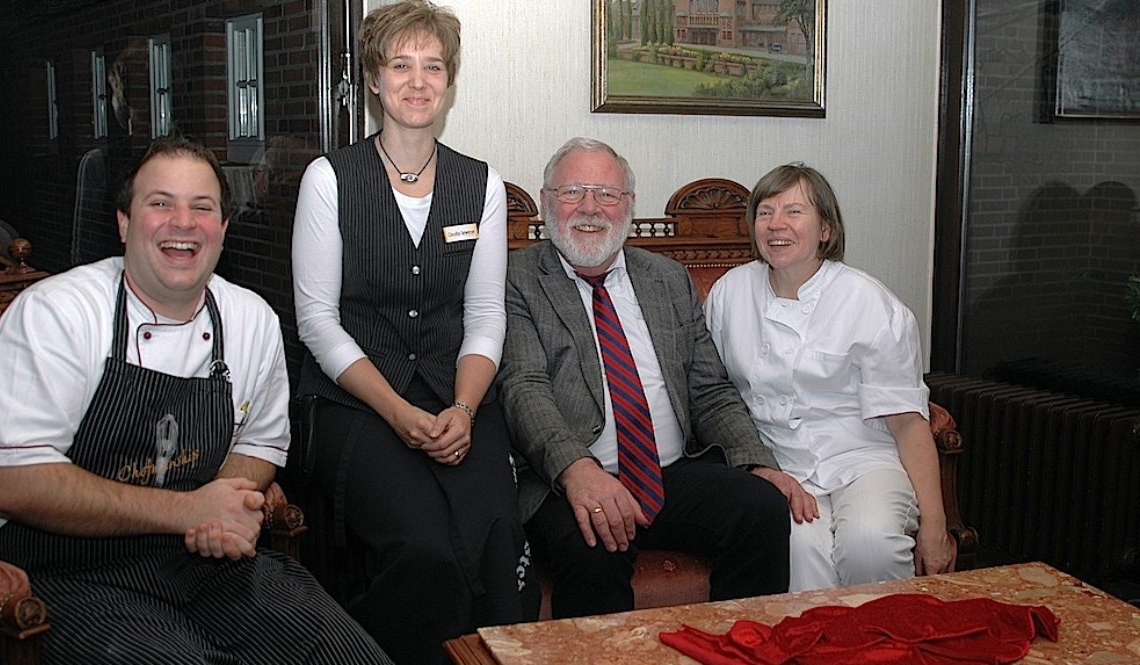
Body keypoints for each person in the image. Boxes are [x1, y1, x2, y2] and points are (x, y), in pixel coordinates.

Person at [0, 134, 392, 664]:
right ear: (124, 223)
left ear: (222, 228)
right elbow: (14, 481)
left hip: (199, 558)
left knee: (347, 655)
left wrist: (220, 512)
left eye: (203, 208)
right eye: (160, 204)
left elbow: (262, 445)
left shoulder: (250, 321)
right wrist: (188, 509)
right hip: (61, 569)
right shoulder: (58, 314)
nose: (183, 223)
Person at [291, 1, 536, 661]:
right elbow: (317, 319)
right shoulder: (330, 180)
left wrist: (463, 406)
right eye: (401, 64)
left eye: (433, 66)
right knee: (424, 546)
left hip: (457, 392)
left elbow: (486, 314)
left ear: (450, 83)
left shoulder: (478, 183)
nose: (418, 80)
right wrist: (398, 412)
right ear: (374, 78)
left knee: (494, 528)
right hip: (358, 400)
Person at [499, 137, 797, 619]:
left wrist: (756, 461)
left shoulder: (666, 277)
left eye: (607, 194)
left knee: (758, 507)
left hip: (668, 471)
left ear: (629, 207)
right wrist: (579, 471)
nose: (590, 208)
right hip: (569, 479)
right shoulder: (518, 278)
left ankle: (738, 653)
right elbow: (523, 387)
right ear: (547, 199)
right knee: (592, 544)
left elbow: (711, 391)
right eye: (573, 191)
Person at [704, 162, 954, 592]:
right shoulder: (729, 293)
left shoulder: (869, 303)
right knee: (798, 551)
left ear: (825, 229)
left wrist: (935, 526)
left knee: (869, 544)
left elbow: (908, 423)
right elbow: (710, 392)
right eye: (765, 212)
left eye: (794, 211)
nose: (776, 224)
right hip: (778, 465)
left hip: (863, 459)